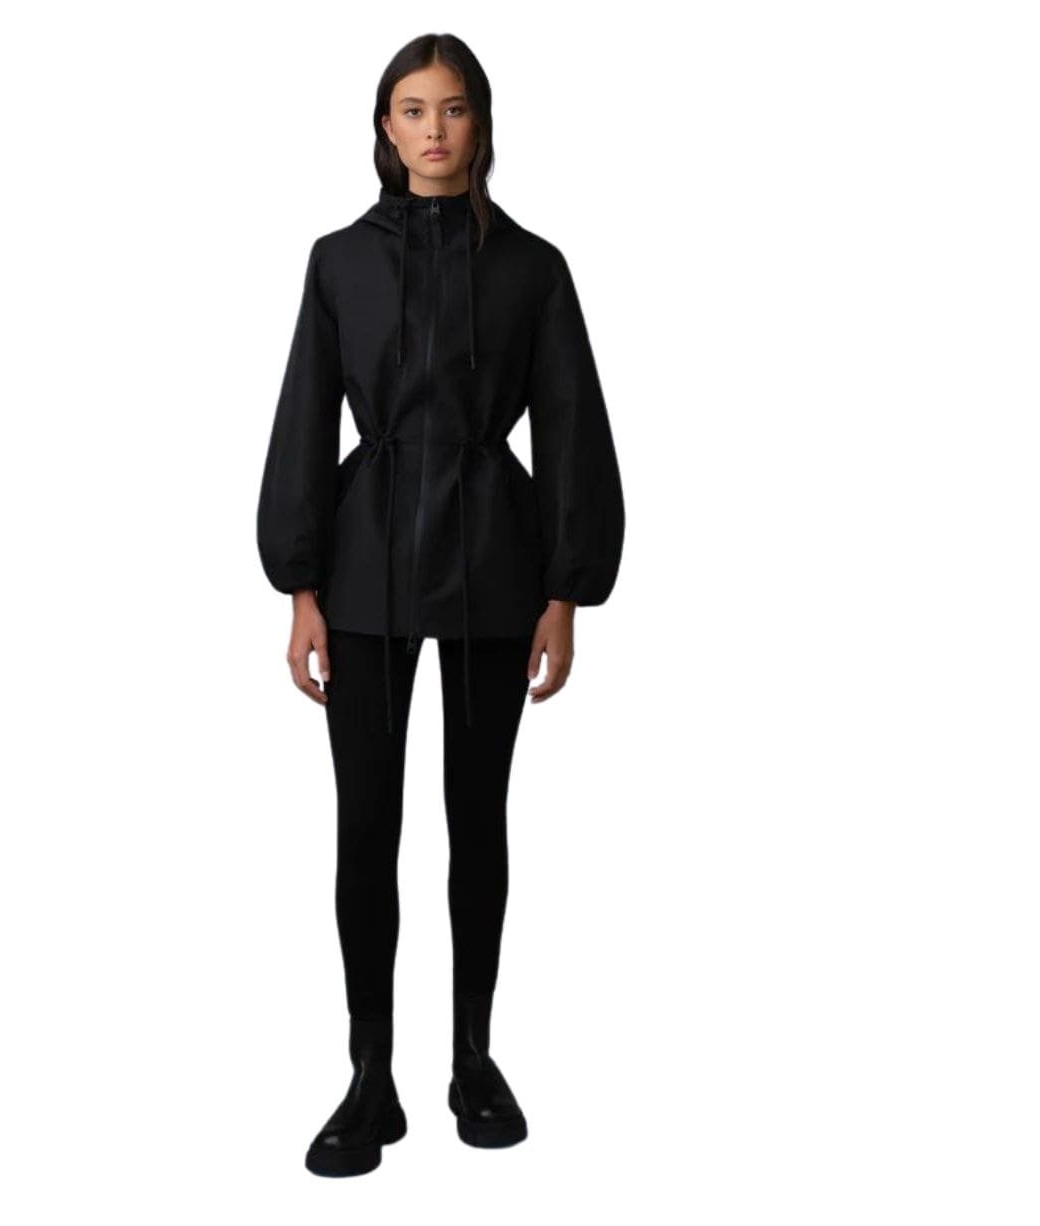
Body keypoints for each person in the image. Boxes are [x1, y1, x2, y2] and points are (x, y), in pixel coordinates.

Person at [257, 32, 625, 1177]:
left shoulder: (532, 269)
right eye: (411, 109)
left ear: (480, 124)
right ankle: (369, 1075)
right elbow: (304, 415)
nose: (432, 129)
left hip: (494, 571)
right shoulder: (337, 262)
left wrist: (565, 591)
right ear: (383, 126)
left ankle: (472, 1057)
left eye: (452, 108)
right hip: (361, 570)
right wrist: (299, 585)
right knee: (364, 826)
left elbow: (570, 425)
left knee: (478, 821)